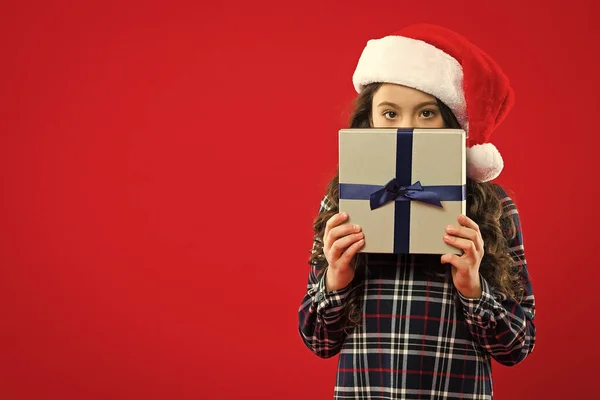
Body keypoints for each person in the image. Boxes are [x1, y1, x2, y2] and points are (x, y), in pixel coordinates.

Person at [297, 23, 536, 400]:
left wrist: (475, 288)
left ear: (451, 121)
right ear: (369, 120)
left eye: (426, 113)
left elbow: (518, 346)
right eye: (390, 113)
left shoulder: (496, 208)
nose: (406, 128)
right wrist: (335, 279)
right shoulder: (344, 201)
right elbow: (318, 341)